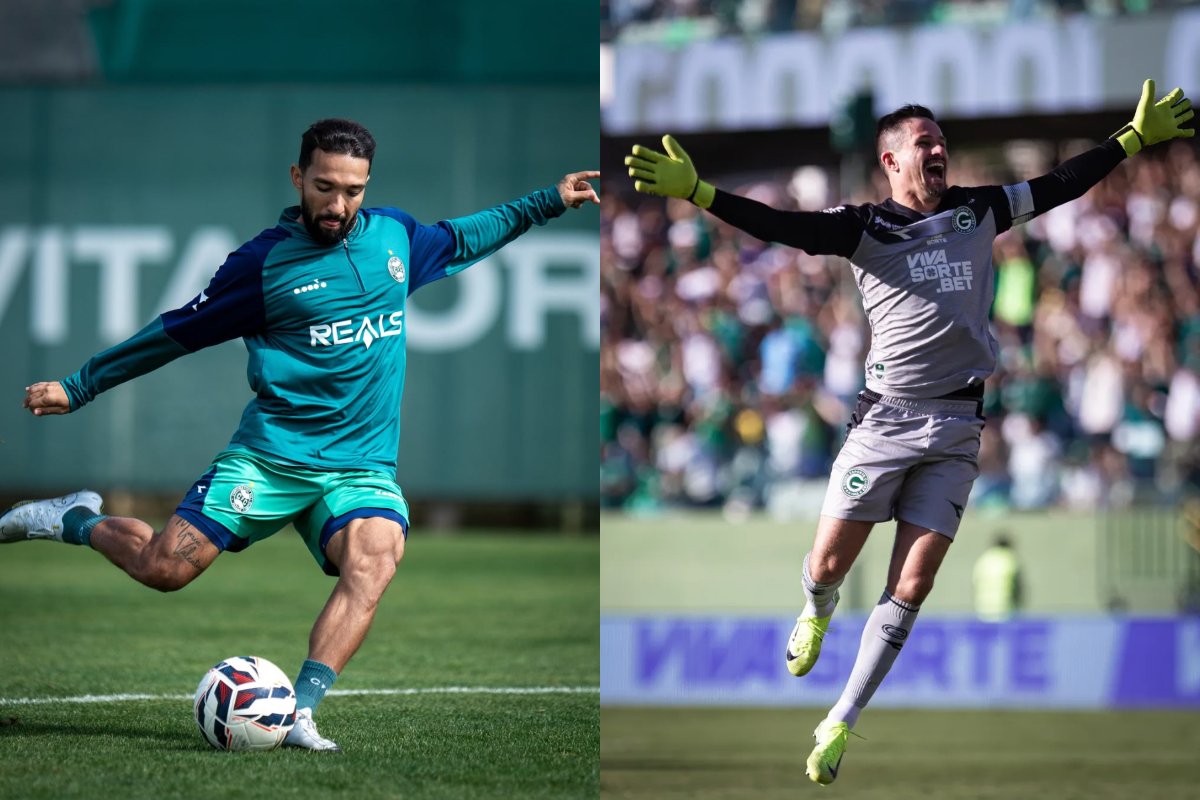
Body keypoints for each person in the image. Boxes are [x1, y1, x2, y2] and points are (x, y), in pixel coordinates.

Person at [625, 79, 1192, 784]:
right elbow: (786, 227)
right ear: (890, 160)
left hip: (958, 423)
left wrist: (1130, 140)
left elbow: (1059, 185)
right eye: (923, 144)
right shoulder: (866, 227)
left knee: (913, 583)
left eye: (941, 143)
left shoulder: (980, 210)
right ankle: (815, 608)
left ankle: (840, 721)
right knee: (829, 566)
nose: (938, 152)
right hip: (886, 420)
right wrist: (700, 193)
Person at [2, 118, 599, 752]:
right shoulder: (261, 265)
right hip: (270, 457)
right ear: (297, 177)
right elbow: (172, 333)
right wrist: (80, 385)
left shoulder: (395, 237)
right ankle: (72, 518)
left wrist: (548, 201)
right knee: (164, 569)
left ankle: (300, 713)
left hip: (360, 467)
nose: (338, 204)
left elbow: (467, 236)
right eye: (325, 187)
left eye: (353, 190)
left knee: (376, 557)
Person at [973, 533, 1023, 621]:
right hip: (1005, 610)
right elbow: (1018, 588)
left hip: (983, 611)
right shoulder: (1010, 559)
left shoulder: (983, 559)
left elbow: (974, 584)